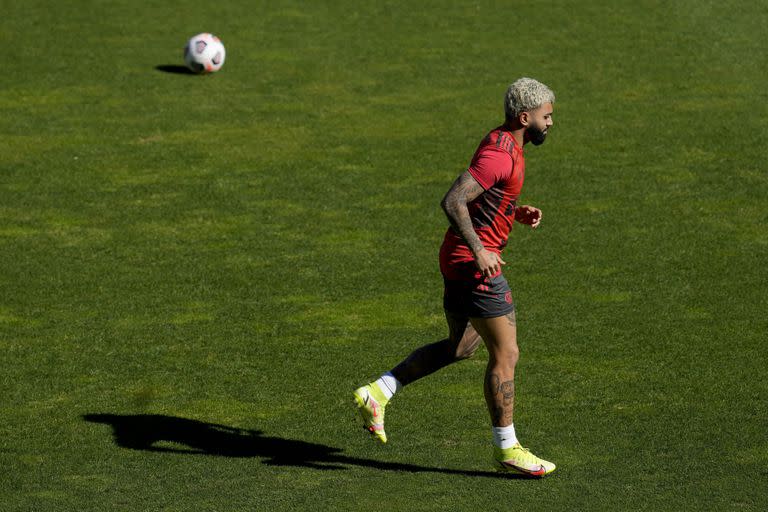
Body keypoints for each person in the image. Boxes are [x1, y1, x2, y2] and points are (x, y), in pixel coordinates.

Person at [353, 77, 557, 477]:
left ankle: (378, 393)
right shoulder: (501, 156)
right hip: (473, 263)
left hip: (458, 259)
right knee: (507, 353)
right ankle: (507, 447)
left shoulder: (505, 143)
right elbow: (453, 199)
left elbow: (488, 194)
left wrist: (513, 211)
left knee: (462, 346)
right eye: (546, 116)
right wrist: (481, 250)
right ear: (524, 116)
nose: (550, 123)